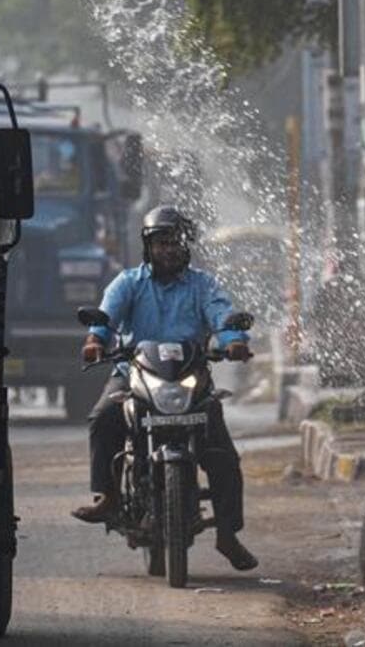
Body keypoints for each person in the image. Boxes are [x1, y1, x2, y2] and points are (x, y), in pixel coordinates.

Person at [72, 205, 259, 571]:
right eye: (161, 243)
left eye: (175, 242)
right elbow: (106, 316)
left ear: (186, 246)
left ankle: (227, 533)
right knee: (103, 417)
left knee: (222, 453)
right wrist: (96, 339)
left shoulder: (203, 285)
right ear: (148, 246)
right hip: (135, 374)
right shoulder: (129, 282)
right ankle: (107, 497)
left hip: (190, 377)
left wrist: (234, 339)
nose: (169, 249)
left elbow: (223, 315)